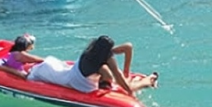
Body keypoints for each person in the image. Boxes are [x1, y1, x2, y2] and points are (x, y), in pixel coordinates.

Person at [28, 35, 158, 96]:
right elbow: (116, 77)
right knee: (129, 86)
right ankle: (149, 80)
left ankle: (146, 80)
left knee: (120, 79)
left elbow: (128, 47)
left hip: (77, 73)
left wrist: (126, 72)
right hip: (82, 84)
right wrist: (128, 90)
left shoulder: (91, 51)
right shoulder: (104, 59)